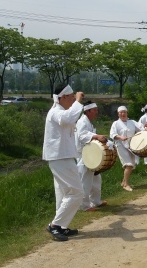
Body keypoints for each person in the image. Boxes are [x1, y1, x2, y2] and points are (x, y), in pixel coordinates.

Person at [43, 83, 84, 241]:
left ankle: (61, 226)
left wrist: (76, 103)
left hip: (61, 157)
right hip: (60, 157)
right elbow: (68, 118)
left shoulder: (61, 111)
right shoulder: (56, 112)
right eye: (72, 97)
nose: (73, 99)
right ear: (64, 97)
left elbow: (70, 118)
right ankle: (54, 225)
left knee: (64, 193)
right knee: (76, 192)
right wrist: (79, 102)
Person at [75, 101, 109, 212]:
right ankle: (84, 206)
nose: (96, 112)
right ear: (88, 111)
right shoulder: (82, 122)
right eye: (95, 110)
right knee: (85, 181)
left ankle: (96, 201)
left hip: (90, 154)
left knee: (96, 179)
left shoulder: (88, 122)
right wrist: (97, 136)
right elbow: (82, 136)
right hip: (83, 156)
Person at [110, 106, 144, 192]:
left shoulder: (132, 122)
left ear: (127, 113)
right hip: (120, 145)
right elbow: (112, 134)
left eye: (124, 112)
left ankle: (123, 182)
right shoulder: (116, 123)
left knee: (132, 165)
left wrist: (146, 129)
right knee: (128, 165)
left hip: (131, 145)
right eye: (121, 112)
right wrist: (120, 137)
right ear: (118, 114)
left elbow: (141, 128)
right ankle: (126, 184)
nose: (123, 114)